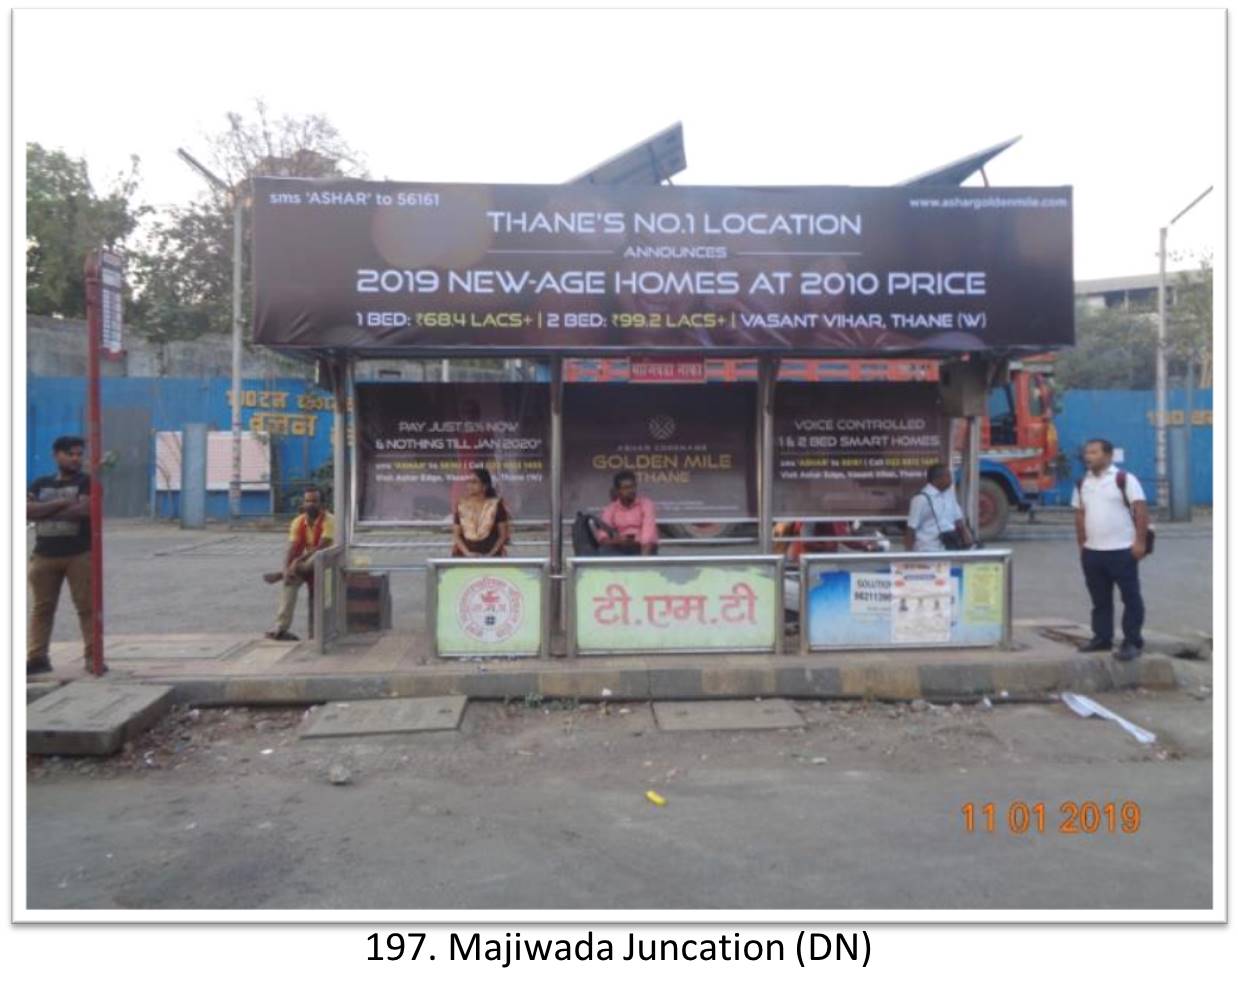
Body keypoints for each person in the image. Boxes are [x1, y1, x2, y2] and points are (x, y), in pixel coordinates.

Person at [1071, 438, 1148, 661]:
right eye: (1087, 453)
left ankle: (1132, 641)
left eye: (1094, 452)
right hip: (1093, 552)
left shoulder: (1124, 480)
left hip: (1122, 550)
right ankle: (1102, 638)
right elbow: (1079, 514)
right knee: (1100, 599)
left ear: (1108, 455)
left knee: (1130, 598)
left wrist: (1140, 543)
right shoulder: (1082, 483)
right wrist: (1082, 545)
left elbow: (1140, 510)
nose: (1088, 457)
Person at [27, 436, 96, 676]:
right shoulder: (39, 483)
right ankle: (37, 657)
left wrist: (44, 510)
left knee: (87, 606)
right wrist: (61, 503)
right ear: (56, 455)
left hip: (79, 554)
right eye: (70, 454)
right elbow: (26, 511)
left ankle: (92, 657)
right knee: (42, 608)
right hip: (44, 555)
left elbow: (84, 510)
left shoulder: (87, 482)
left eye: (79, 454)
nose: (76, 458)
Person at [264, 485, 335, 640]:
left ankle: (282, 574)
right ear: (303, 503)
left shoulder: (329, 520)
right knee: (289, 583)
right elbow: (291, 548)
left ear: (322, 503)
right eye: (308, 501)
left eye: (314, 501)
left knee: (317, 556)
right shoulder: (298, 521)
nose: (311, 504)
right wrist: (286, 568)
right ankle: (280, 627)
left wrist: (297, 561)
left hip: (327, 562)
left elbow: (321, 546)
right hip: (305, 566)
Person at [904, 464, 973, 552]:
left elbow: (958, 520)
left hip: (950, 546)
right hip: (928, 549)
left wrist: (967, 536)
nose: (951, 480)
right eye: (948, 476)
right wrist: (908, 555)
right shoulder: (921, 499)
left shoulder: (949, 495)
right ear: (937, 479)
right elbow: (911, 529)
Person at [451, 468, 511, 557]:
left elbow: (503, 535)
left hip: (491, 557)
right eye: (468, 482)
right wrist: (468, 554)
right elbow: (456, 536)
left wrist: (490, 554)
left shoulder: (496, 505)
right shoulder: (461, 505)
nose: (469, 485)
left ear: (485, 486)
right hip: (464, 557)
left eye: (474, 482)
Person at [599, 470, 658, 556]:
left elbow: (648, 534)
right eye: (626, 488)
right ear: (617, 490)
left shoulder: (646, 504)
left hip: (642, 546)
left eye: (633, 487)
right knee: (604, 551)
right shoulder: (610, 509)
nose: (631, 490)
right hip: (620, 546)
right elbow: (603, 537)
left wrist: (644, 561)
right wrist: (619, 540)